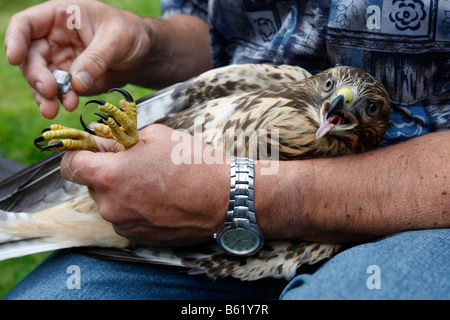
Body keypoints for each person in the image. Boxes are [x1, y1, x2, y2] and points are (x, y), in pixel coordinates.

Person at [3, 0, 449, 299]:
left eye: (360, 108)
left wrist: (241, 197)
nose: (340, 102)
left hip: (420, 220)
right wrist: (150, 43)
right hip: (171, 206)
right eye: (334, 89)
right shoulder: (284, 85)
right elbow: (221, 34)